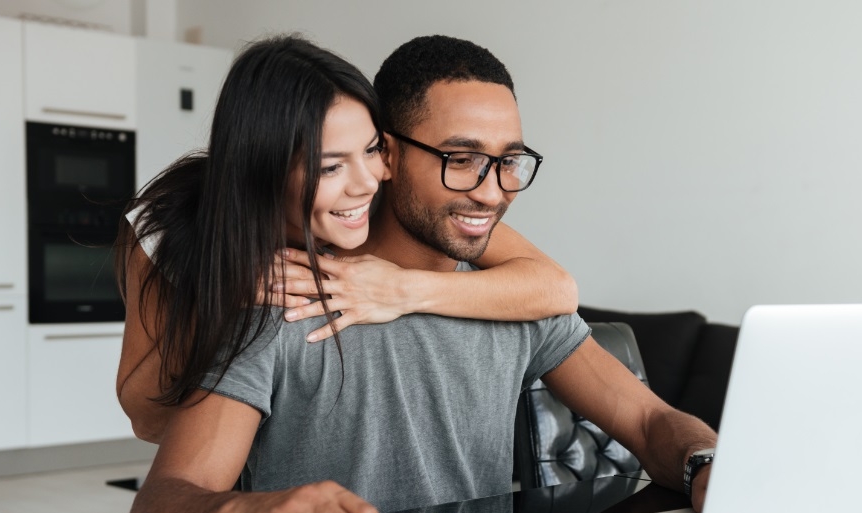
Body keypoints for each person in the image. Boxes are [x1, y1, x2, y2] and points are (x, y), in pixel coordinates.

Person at [128, 35, 718, 513]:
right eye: (459, 158)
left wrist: (705, 464)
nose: (492, 191)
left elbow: (649, 421)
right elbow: (162, 502)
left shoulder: (511, 302)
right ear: (391, 154)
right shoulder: (284, 295)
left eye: (508, 160)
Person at [116, 35, 578, 444]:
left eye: (373, 148)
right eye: (330, 166)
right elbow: (147, 421)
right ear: (267, 170)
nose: (368, 181)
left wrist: (399, 289)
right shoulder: (169, 228)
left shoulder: (382, 194)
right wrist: (226, 293)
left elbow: (555, 288)